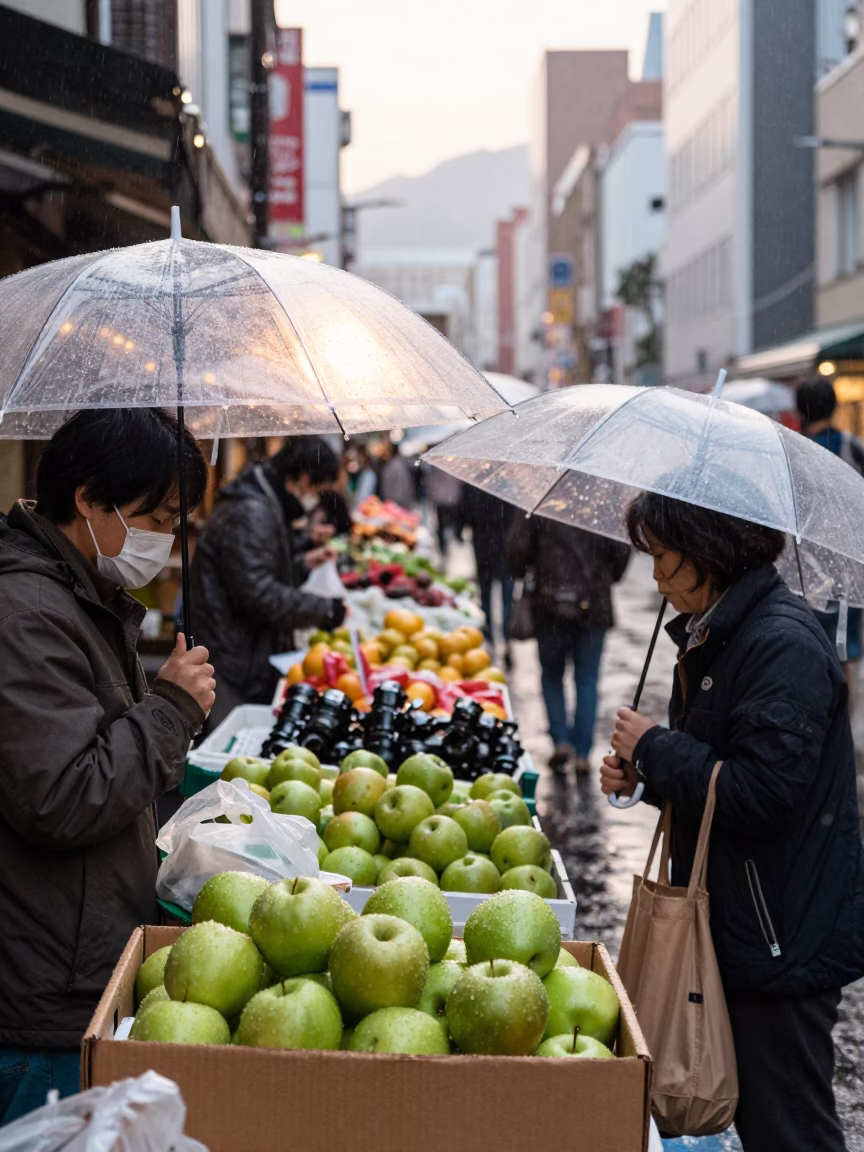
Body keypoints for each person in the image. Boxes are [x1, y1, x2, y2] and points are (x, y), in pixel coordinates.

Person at [601, 492, 864, 1151]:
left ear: (709, 548)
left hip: (782, 935)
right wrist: (647, 777)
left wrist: (657, 748)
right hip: (744, 922)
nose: (655, 575)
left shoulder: (782, 645)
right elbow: (718, 780)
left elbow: (764, 794)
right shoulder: (724, 633)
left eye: (662, 556)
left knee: (789, 1129)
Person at [0, 408, 214, 1125]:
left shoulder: (81, 595)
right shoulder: (25, 612)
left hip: (76, 960)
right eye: (154, 516)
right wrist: (170, 710)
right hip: (42, 989)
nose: (164, 537)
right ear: (88, 500)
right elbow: (63, 794)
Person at [191, 437, 346, 726]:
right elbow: (257, 593)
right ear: (302, 478)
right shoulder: (252, 511)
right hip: (232, 657)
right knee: (228, 742)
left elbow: (258, 571)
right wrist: (324, 609)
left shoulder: (265, 502)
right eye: (315, 488)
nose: (312, 498)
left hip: (242, 651)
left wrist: (301, 565)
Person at [507, 518, 629, 775]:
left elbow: (516, 554)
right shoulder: (605, 505)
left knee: (552, 676)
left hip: (549, 606)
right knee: (587, 679)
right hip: (594, 605)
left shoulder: (543, 501)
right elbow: (620, 559)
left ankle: (561, 741)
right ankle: (582, 752)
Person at [797, 379, 864, 688]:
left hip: (803, 565)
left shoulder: (794, 449)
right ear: (834, 406)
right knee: (842, 651)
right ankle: (842, 728)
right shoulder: (852, 446)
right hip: (847, 562)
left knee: (802, 645)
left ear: (801, 408)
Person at [459, 486, 516, 662]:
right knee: (507, 598)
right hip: (506, 550)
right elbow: (517, 522)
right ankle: (505, 637)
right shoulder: (511, 490)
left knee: (486, 594)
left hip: (484, 548)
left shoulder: (474, 486)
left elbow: (465, 516)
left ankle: (489, 634)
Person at [425, 466, 462, 557]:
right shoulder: (453, 465)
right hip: (450, 497)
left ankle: (445, 544)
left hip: (443, 497)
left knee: (444, 523)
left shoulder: (438, 465)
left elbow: (432, 481)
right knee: (447, 522)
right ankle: (448, 542)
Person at [377, 441, 415, 509]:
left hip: (395, 501)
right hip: (400, 500)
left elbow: (388, 485)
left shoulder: (392, 465)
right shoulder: (400, 464)